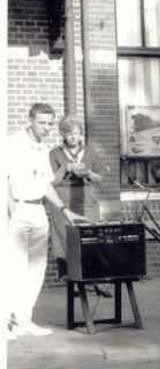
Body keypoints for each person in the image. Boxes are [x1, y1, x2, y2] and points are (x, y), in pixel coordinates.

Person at [5, 103, 87, 338]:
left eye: (50, 123)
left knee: (36, 268)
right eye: (41, 123)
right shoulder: (13, 143)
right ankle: (4, 322)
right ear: (30, 120)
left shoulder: (43, 149)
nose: (46, 127)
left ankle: (23, 319)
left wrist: (64, 210)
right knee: (13, 267)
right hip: (17, 209)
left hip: (38, 210)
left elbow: (45, 185)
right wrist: (10, 211)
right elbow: (4, 177)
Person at [49, 114, 108, 278]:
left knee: (90, 234)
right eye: (69, 133)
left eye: (76, 133)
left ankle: (93, 277)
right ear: (63, 134)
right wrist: (65, 169)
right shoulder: (55, 153)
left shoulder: (90, 152)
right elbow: (51, 181)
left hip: (87, 199)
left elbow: (100, 177)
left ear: (81, 133)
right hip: (63, 200)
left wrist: (87, 173)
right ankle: (69, 275)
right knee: (65, 236)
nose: (73, 137)